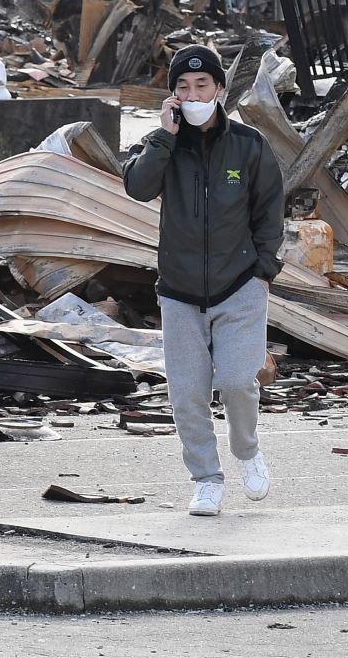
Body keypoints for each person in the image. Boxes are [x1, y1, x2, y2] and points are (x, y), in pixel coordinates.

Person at [122, 44, 285, 518]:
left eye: (202, 86)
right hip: (179, 291)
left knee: (237, 382)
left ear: (218, 89)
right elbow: (137, 187)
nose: (193, 94)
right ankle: (207, 480)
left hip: (240, 287)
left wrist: (263, 271)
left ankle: (247, 451)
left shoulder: (248, 145)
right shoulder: (161, 145)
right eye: (183, 87)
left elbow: (270, 210)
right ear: (173, 95)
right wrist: (164, 137)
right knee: (188, 394)